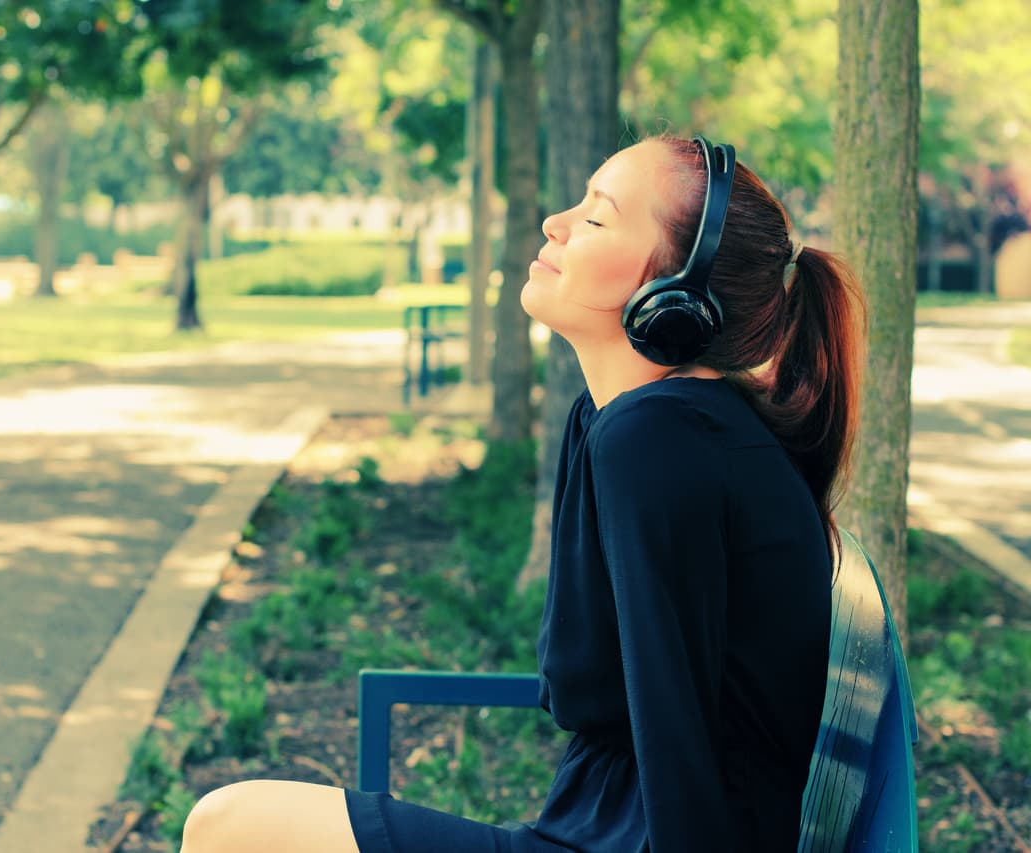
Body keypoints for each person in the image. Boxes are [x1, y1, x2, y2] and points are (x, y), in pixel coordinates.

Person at [179, 133, 865, 853]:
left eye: (597, 217)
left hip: (625, 838)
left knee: (229, 828)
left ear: (675, 296)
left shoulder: (662, 440)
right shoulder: (630, 421)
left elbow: (678, 728)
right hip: (598, 823)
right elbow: (583, 689)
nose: (556, 224)